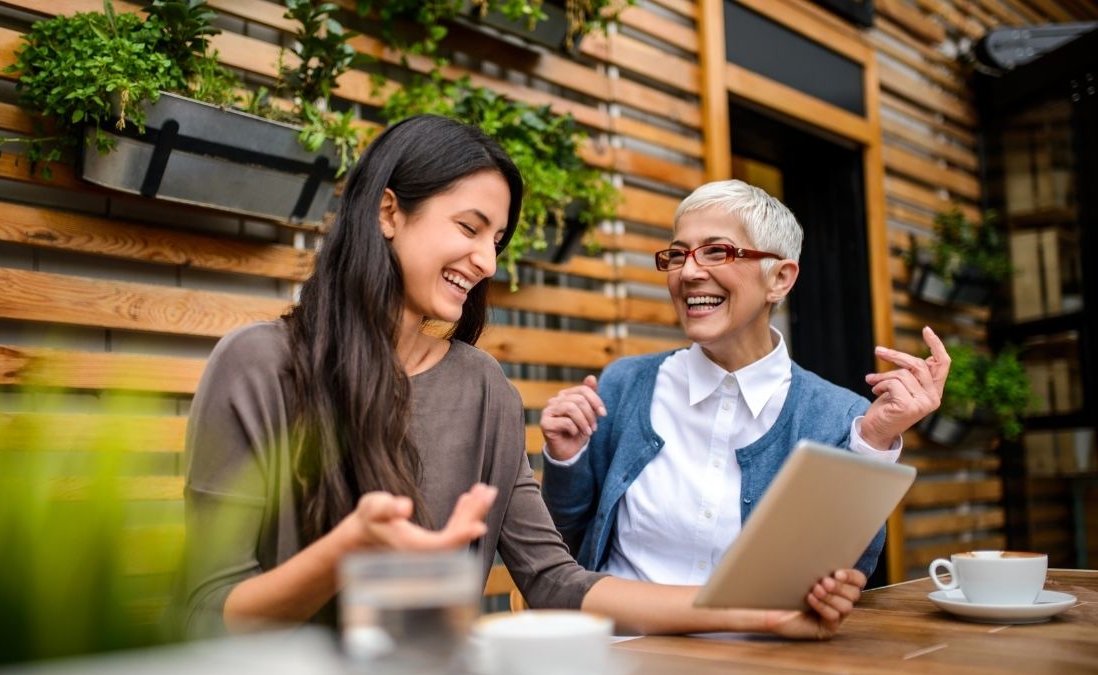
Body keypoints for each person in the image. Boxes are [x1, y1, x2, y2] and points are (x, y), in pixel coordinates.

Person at [178, 118, 868, 641]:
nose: (486, 261)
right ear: (389, 212)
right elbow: (208, 613)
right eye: (470, 227)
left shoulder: (484, 389)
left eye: (497, 240)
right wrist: (345, 550)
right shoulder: (261, 365)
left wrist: (764, 611)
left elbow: (556, 580)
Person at [540, 179, 950, 587]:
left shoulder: (841, 417)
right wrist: (566, 459)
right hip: (625, 644)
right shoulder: (625, 384)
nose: (689, 272)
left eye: (717, 251)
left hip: (756, 650)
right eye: (678, 254)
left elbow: (842, 576)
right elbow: (565, 544)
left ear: (781, 279)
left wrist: (873, 443)